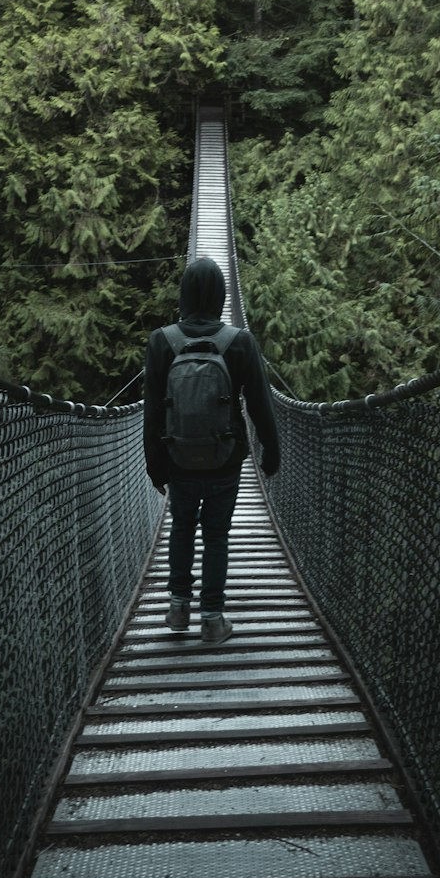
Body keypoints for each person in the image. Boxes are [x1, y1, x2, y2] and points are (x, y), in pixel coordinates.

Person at [143, 257, 281, 644]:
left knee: (183, 526)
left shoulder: (161, 341)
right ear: (222, 295)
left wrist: (156, 466)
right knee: (216, 534)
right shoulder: (240, 342)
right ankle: (212, 619)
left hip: (178, 457)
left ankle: (177, 608)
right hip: (225, 458)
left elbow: (153, 412)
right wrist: (271, 453)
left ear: (183, 293)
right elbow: (259, 404)